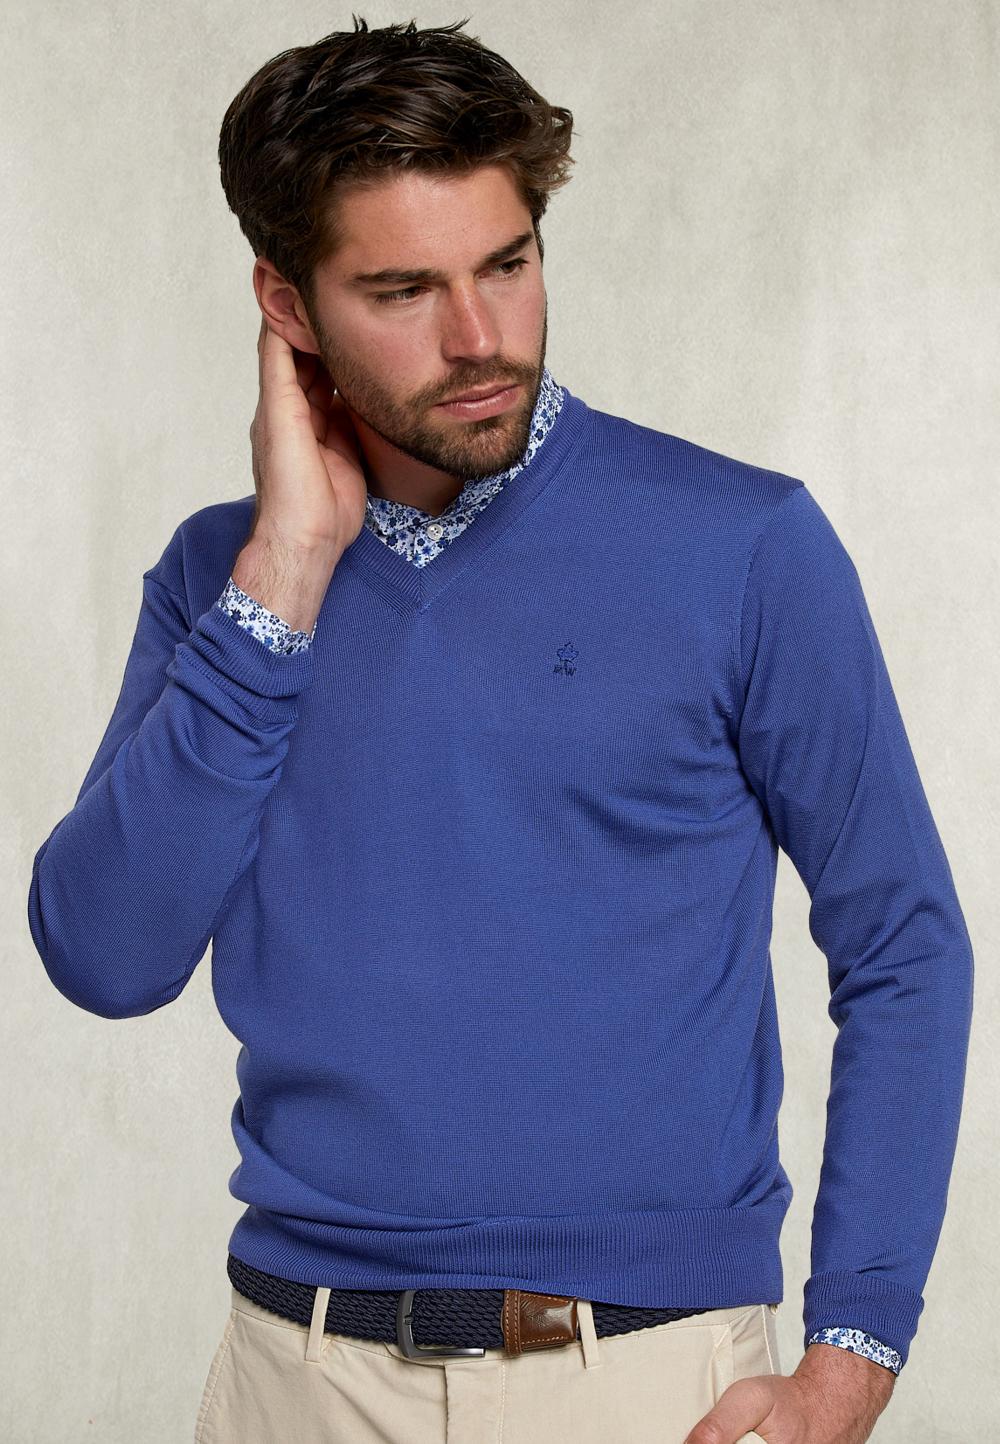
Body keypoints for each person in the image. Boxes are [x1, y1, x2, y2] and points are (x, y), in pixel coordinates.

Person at [27, 16, 973, 1444]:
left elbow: (902, 942)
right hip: (295, 1378)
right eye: (403, 290)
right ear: (289, 306)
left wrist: (855, 1351)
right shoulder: (225, 582)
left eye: (509, 265)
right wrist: (286, 575)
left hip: (643, 1382)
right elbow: (105, 957)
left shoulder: (742, 546)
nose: (479, 339)